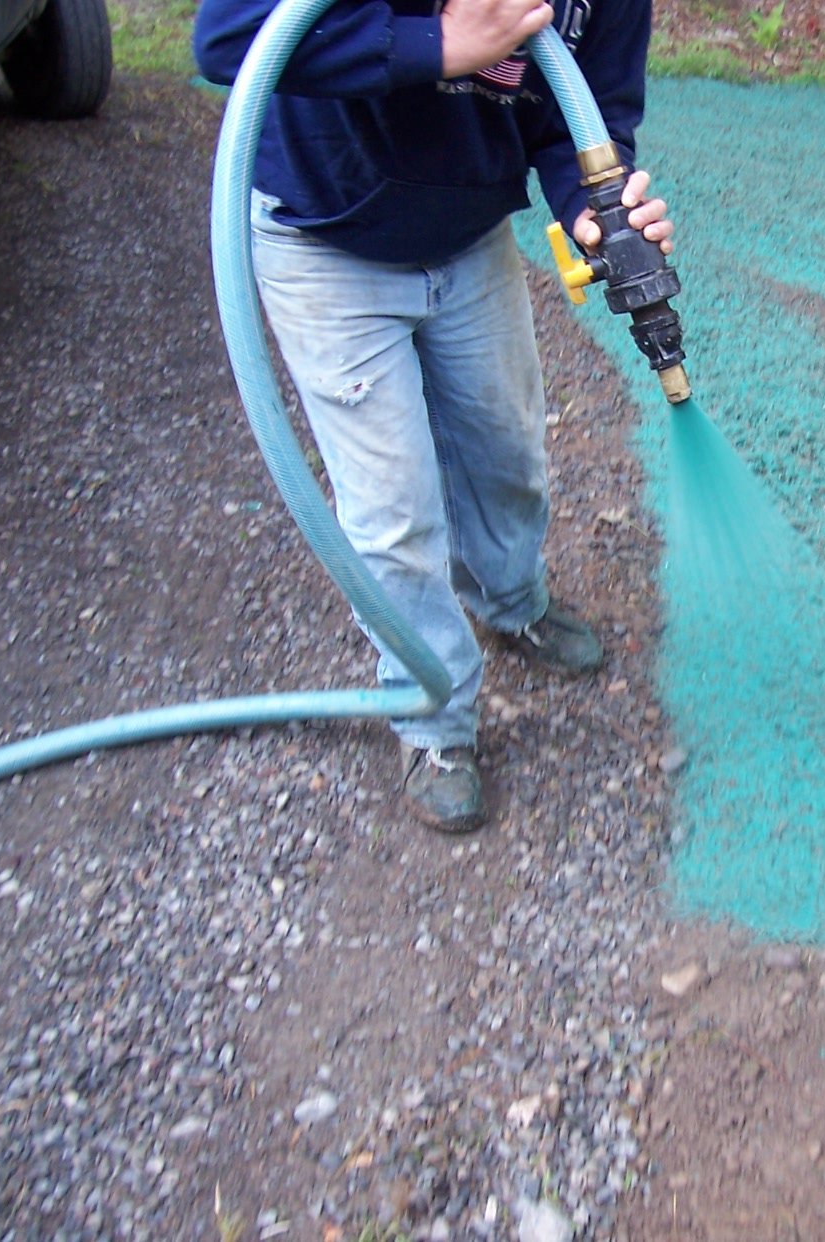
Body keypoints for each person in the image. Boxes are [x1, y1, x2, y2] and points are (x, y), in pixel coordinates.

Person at [193, 0, 673, 833]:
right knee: (393, 512)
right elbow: (229, 35)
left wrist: (591, 203)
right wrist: (439, 44)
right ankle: (433, 716)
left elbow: (585, 115)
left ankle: (510, 600)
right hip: (326, 239)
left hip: (468, 236)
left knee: (507, 449)